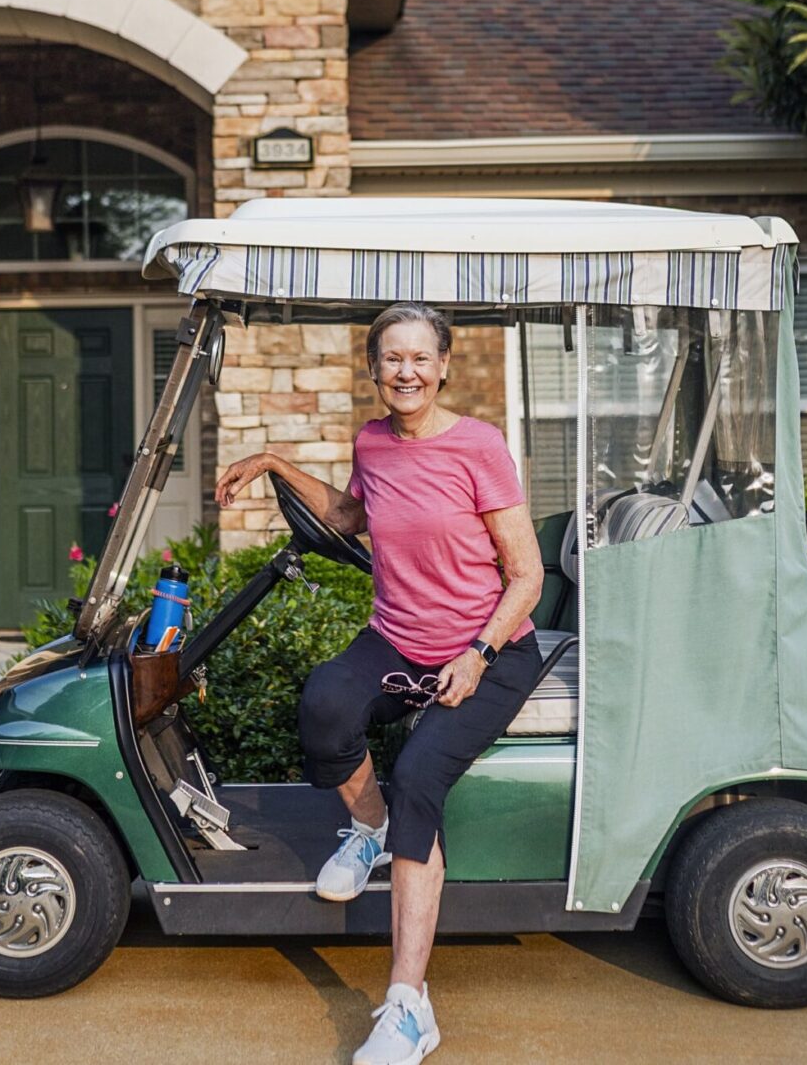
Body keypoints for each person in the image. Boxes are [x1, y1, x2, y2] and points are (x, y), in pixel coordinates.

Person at [214, 302, 543, 1065]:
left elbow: (525, 575)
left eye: (420, 358)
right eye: (392, 359)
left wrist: (479, 653)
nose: (407, 371)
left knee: (420, 772)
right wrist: (271, 462)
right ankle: (368, 830)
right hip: (398, 640)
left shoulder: (479, 448)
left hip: (487, 650)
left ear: (444, 365)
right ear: (373, 368)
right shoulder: (373, 441)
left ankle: (407, 1004)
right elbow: (352, 514)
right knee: (326, 703)